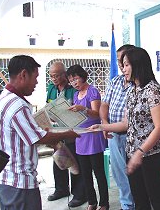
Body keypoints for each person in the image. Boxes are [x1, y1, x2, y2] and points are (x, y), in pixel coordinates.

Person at [90, 47, 160, 210]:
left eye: (127, 64)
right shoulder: (133, 91)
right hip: (133, 154)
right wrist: (103, 125)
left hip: (152, 156)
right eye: (122, 64)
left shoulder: (152, 90)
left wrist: (140, 152)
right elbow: (126, 123)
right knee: (140, 200)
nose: (123, 68)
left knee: (159, 201)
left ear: (138, 65)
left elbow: (159, 127)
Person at [0, 55, 79, 210]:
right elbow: (37, 138)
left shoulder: (3, 98)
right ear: (24, 74)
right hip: (18, 180)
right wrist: (67, 134)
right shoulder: (17, 104)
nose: (37, 82)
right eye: (35, 77)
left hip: (6, 177)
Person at [66, 64, 109, 210]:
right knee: (85, 174)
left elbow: (97, 113)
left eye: (75, 79)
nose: (74, 83)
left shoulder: (92, 91)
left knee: (98, 172)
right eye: (71, 81)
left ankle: (104, 203)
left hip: (93, 135)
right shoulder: (75, 95)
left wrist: (83, 109)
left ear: (83, 76)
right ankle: (92, 202)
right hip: (81, 136)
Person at [99, 44, 135, 210]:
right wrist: (105, 124)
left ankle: (135, 204)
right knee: (119, 174)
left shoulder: (139, 84)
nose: (121, 64)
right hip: (113, 135)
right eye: (119, 61)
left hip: (132, 136)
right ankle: (126, 204)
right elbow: (104, 104)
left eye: (124, 60)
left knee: (132, 173)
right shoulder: (115, 81)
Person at [46, 61, 86, 207]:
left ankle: (79, 194)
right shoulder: (51, 89)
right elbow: (48, 105)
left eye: (56, 75)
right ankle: (61, 189)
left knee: (74, 162)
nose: (53, 78)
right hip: (57, 130)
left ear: (64, 74)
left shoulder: (73, 89)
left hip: (72, 130)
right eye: (51, 76)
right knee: (59, 160)